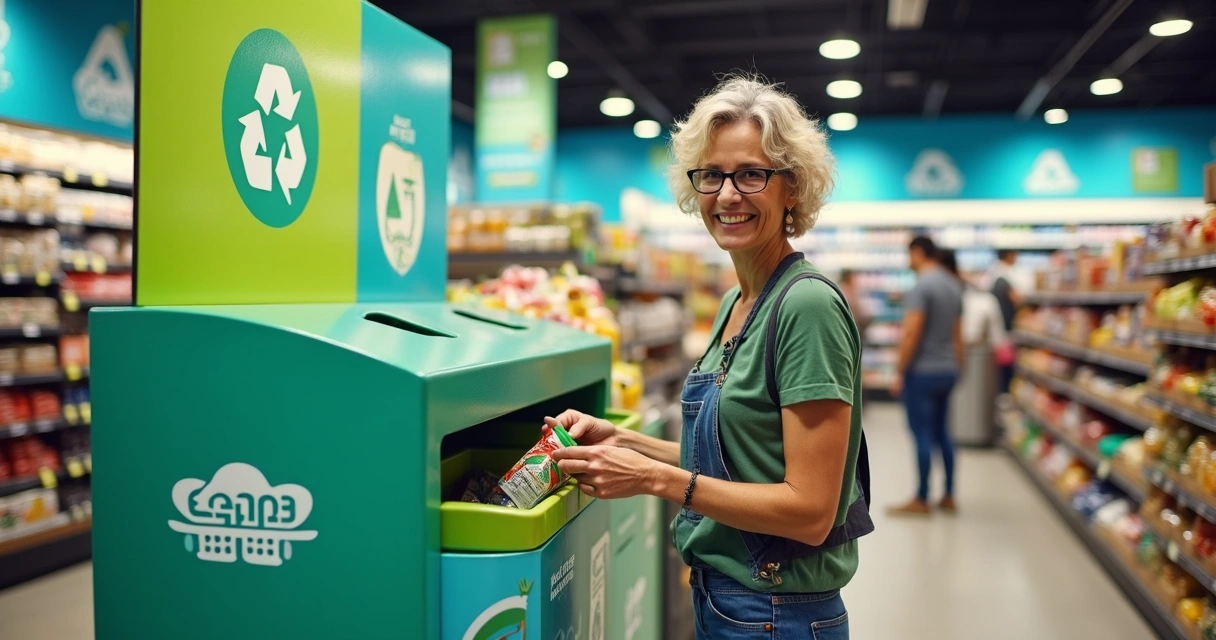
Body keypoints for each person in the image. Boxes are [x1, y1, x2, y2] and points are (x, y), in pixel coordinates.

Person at [543, 74, 871, 640]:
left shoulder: (807, 307)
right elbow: (739, 457)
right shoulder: (735, 301)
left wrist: (654, 479)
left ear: (791, 187)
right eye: (712, 175)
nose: (726, 195)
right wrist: (623, 441)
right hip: (728, 600)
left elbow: (811, 511)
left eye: (750, 174)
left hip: (777, 612)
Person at [889, 236, 963, 516]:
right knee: (944, 432)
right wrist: (959, 367)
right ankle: (949, 494)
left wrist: (899, 370)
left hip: (922, 372)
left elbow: (911, 333)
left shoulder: (922, 286)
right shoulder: (953, 285)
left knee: (921, 433)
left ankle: (921, 498)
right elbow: (958, 334)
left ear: (918, 253)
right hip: (947, 370)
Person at [986, 249, 1032, 392]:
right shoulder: (1002, 276)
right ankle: (1004, 391)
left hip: (998, 327)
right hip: (1005, 327)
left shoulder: (993, 273)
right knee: (1006, 364)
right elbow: (1017, 299)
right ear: (1008, 256)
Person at [839, 269, 871, 339]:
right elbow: (854, 308)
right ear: (848, 277)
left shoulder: (850, 289)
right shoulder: (845, 289)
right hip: (850, 326)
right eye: (852, 277)